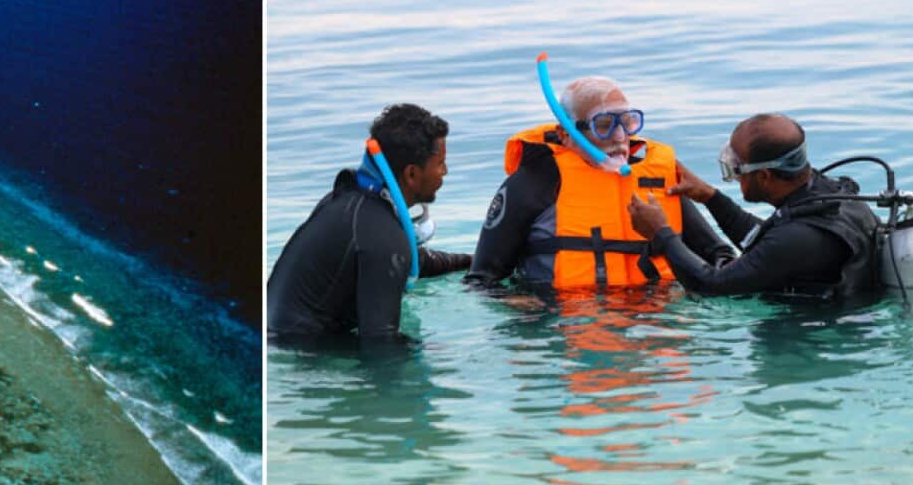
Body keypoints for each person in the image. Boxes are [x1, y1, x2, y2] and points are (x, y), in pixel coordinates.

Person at [467, 76, 733, 289]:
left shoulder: (657, 180)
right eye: (603, 125)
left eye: (628, 122)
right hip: (561, 328)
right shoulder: (533, 183)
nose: (620, 136)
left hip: (653, 324)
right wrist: (518, 307)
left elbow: (721, 256)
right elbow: (480, 280)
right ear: (565, 133)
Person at [267, 103, 471, 343]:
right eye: (440, 163)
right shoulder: (383, 234)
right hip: (301, 352)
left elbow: (406, 259)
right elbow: (380, 347)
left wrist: (469, 261)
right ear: (412, 174)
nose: (445, 172)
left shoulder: (351, 204)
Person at [628, 113, 879, 298]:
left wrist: (661, 234)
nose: (736, 178)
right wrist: (711, 198)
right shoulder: (834, 197)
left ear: (764, 176)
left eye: (736, 169)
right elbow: (764, 242)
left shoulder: (796, 238)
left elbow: (712, 285)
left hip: (811, 343)